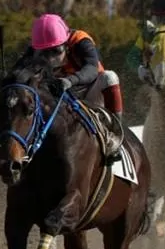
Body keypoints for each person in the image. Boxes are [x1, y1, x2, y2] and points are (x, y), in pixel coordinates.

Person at [23, 13, 125, 162]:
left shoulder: (81, 40)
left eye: (56, 52)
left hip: (90, 93)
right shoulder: (33, 50)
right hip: (59, 101)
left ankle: (116, 137)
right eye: (45, 54)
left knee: (109, 77)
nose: (51, 60)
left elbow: (92, 69)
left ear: (66, 44)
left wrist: (70, 81)